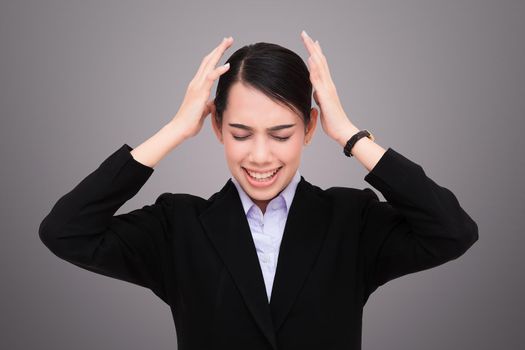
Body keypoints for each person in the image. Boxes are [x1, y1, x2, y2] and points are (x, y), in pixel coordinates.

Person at [39, 30, 479, 350]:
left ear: (309, 128)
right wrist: (173, 131)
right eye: (241, 133)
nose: (261, 156)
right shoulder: (178, 226)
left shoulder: (351, 220)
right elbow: (65, 231)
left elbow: (452, 232)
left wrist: (348, 133)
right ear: (216, 127)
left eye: (282, 133)